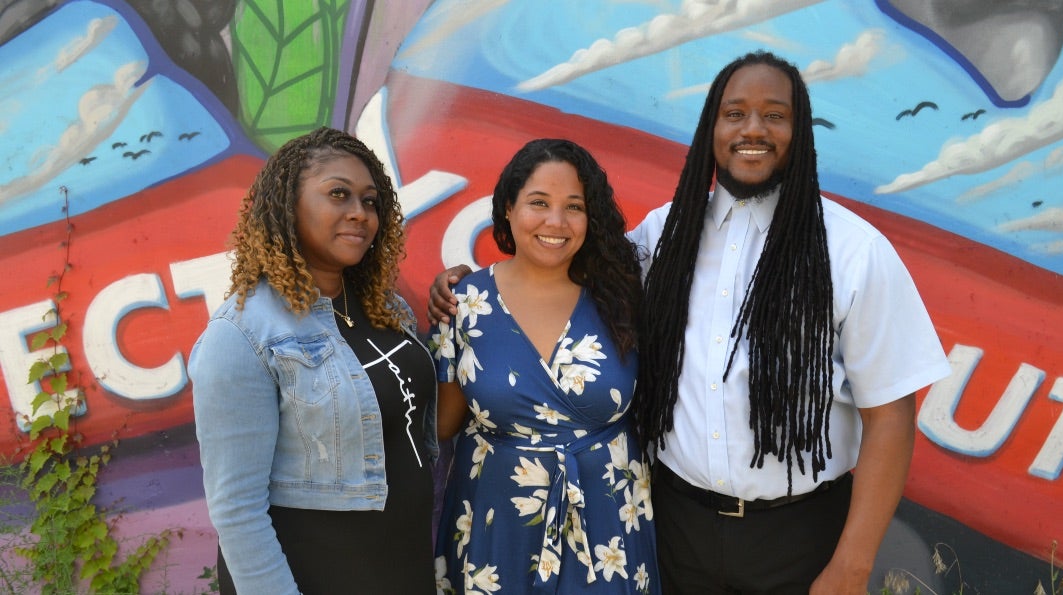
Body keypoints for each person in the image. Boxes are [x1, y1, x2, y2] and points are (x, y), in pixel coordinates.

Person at [430, 51, 951, 594]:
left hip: (799, 537)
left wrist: (854, 563)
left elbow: (890, 416)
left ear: (801, 132)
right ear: (710, 128)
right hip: (675, 529)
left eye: (775, 115)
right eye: (735, 114)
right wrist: (467, 286)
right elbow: (560, 266)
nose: (753, 129)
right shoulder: (665, 237)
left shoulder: (853, 252)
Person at [189, 127, 437, 594]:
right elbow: (237, 509)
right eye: (338, 195)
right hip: (319, 573)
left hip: (403, 566)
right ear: (288, 206)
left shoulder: (386, 309)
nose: (360, 214)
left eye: (370, 201)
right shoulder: (242, 334)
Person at [430, 138, 659, 594]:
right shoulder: (464, 304)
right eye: (538, 203)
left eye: (574, 206)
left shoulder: (623, 300)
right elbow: (444, 425)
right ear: (508, 209)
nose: (556, 222)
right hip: (496, 522)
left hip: (608, 520)